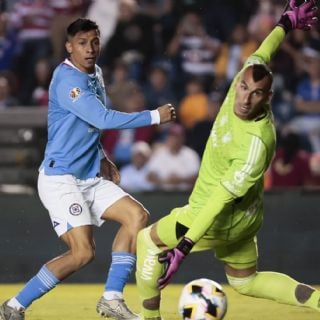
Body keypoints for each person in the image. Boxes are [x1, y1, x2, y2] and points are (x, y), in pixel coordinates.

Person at [135, 1, 320, 319]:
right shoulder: (246, 77)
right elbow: (265, 51)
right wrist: (286, 23)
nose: (245, 98)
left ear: (269, 97)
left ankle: (149, 318)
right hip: (246, 221)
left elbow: (220, 197)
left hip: (214, 217)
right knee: (244, 281)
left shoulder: (255, 143)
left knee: (147, 242)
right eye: (244, 87)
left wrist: (184, 246)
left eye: (256, 94)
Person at [0, 18, 176, 320]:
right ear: (69, 47)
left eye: (94, 41)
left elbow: (88, 126)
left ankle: (112, 298)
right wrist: (154, 117)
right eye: (82, 43)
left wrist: (103, 155)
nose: (90, 48)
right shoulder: (67, 81)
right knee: (83, 253)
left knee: (137, 216)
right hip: (60, 179)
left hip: (89, 176)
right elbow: (103, 118)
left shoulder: (95, 72)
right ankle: (13, 306)